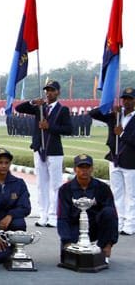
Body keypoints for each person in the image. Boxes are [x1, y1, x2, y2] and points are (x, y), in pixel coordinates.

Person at [15, 80, 72, 227]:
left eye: (52, 90)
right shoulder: (39, 108)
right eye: (47, 90)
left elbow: (68, 129)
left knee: (55, 185)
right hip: (39, 149)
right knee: (41, 184)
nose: (48, 93)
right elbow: (19, 108)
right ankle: (43, 214)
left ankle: (54, 215)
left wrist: (50, 127)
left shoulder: (62, 110)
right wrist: (33, 102)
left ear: (58, 92)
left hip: (54, 151)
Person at [89, 87, 135, 235]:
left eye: (130, 98)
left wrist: (122, 133)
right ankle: (119, 221)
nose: (126, 101)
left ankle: (130, 224)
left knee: (132, 194)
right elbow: (93, 113)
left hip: (131, 161)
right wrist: (109, 107)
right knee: (116, 193)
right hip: (114, 159)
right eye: (125, 98)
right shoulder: (115, 115)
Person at [57, 154, 118, 261]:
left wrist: (110, 243)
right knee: (68, 258)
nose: (84, 171)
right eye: (81, 167)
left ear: (92, 169)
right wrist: (66, 241)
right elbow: (62, 216)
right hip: (75, 227)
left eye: (87, 167)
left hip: (96, 226)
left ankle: (103, 248)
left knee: (109, 212)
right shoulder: (65, 189)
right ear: (75, 169)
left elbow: (112, 216)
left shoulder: (102, 188)